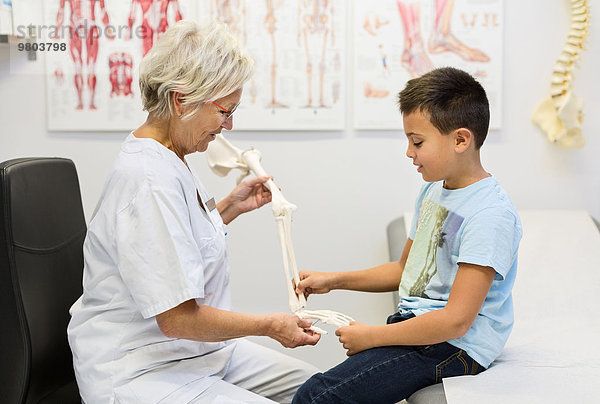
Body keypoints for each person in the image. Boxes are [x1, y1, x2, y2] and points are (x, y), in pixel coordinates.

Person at [67, 20, 320, 404]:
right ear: (180, 99)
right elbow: (177, 319)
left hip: (193, 353)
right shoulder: (148, 178)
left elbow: (171, 242)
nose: (228, 125)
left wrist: (228, 208)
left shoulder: (170, 156)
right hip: (142, 368)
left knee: (326, 391)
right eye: (223, 111)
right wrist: (269, 325)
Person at [293, 67, 522, 403]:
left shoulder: (490, 215)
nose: (408, 152)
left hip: (455, 346)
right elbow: (406, 270)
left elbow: (456, 321)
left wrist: (374, 336)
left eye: (417, 142)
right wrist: (334, 280)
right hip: (422, 325)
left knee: (318, 396)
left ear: (460, 139)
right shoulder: (433, 191)